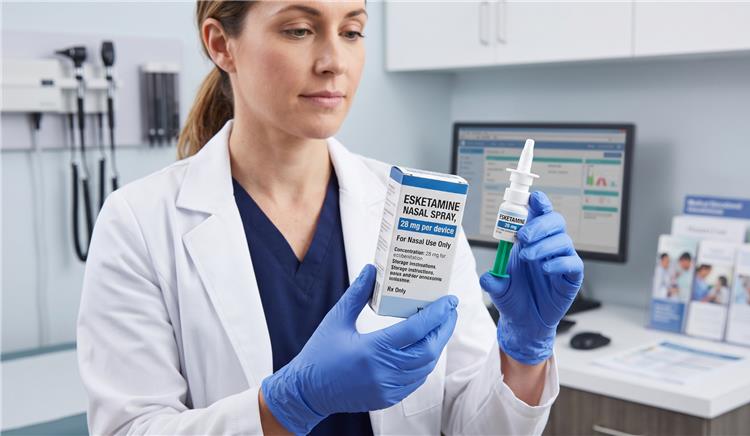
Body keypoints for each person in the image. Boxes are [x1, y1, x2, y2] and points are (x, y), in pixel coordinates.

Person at [76, 1, 583, 435]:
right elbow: (131, 428)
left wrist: (524, 349)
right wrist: (289, 402)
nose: (333, 62)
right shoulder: (139, 223)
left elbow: (473, 425)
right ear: (220, 43)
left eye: (352, 31)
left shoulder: (418, 206)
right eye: (299, 29)